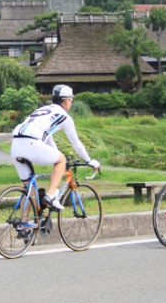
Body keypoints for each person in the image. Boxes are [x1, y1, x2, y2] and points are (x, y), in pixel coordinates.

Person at [10, 85, 100, 216]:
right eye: (71, 100)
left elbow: (48, 137)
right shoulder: (64, 116)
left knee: (29, 190)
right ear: (67, 100)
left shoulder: (43, 110)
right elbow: (76, 143)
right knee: (61, 160)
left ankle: (23, 226)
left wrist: (56, 153)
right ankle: (51, 195)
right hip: (31, 143)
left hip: (16, 145)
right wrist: (89, 160)